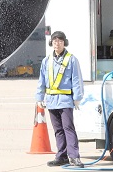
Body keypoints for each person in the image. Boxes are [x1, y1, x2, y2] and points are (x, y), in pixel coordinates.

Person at [36, 31, 84, 168]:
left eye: (60, 41)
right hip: (51, 101)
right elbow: (42, 80)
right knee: (58, 130)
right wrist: (39, 97)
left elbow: (76, 79)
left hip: (65, 100)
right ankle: (61, 156)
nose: (57, 43)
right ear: (52, 43)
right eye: (55, 41)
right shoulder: (47, 60)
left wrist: (77, 98)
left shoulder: (71, 59)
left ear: (65, 42)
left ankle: (74, 157)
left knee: (68, 128)